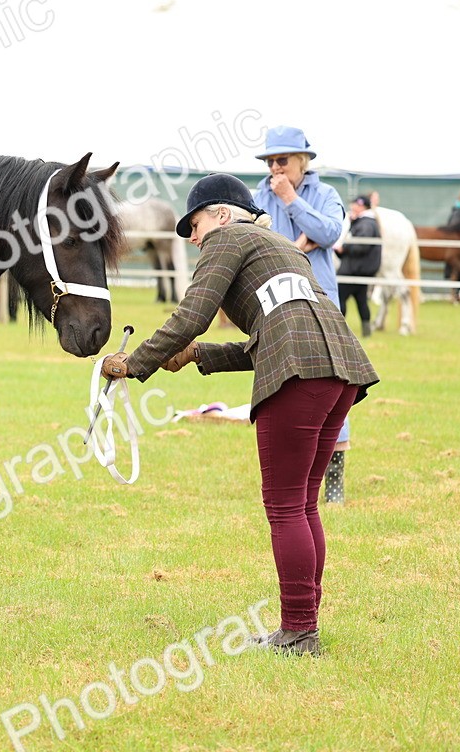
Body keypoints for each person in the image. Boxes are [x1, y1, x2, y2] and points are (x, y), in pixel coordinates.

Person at [100, 173, 378, 657]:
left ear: (223, 215)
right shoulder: (278, 246)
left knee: (287, 507)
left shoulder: (226, 238)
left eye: (196, 222)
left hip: (300, 373)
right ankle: (303, 626)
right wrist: (198, 355)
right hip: (342, 370)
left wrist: (133, 363)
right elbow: (269, 336)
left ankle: (298, 633)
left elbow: (192, 313)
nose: (190, 235)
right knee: (305, 505)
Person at [253, 126, 352, 504]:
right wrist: (297, 246)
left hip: (321, 300)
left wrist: (292, 200)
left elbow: (329, 232)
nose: (275, 168)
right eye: (270, 161)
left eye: (282, 160)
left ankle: (334, 484)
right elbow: (256, 241)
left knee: (333, 387)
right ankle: (292, 476)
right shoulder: (256, 196)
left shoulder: (325, 194)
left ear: (302, 162)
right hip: (275, 302)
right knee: (283, 386)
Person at [335, 196, 382, 336]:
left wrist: (344, 248)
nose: (352, 207)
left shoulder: (365, 224)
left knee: (339, 298)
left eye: (355, 204)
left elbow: (361, 246)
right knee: (362, 302)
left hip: (353, 270)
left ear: (362, 207)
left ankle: (338, 330)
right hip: (360, 270)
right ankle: (366, 332)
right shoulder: (367, 222)